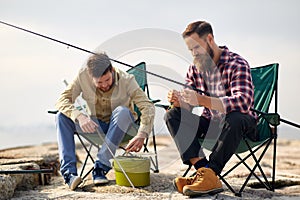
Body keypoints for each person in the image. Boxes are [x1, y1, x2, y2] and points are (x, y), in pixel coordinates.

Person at [164, 21, 257, 197]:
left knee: (235, 118)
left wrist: (203, 100)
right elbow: (189, 101)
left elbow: (243, 102)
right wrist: (179, 101)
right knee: (173, 115)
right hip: (211, 124)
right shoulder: (195, 68)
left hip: (240, 126)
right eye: (190, 50)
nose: (194, 53)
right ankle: (204, 171)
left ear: (210, 39)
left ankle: (210, 173)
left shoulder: (236, 63)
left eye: (196, 48)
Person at [55, 52, 155, 190]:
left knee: (123, 111)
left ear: (112, 70)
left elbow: (148, 106)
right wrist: (80, 116)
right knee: (61, 116)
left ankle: (100, 168)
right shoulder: (82, 76)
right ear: (91, 77)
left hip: (123, 126)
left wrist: (142, 133)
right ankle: (69, 174)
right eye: (99, 82)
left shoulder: (127, 80)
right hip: (96, 125)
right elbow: (62, 100)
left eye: (107, 80)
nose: (104, 85)